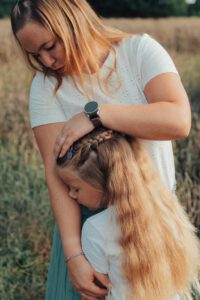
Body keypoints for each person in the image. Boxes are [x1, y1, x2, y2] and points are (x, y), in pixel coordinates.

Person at [10, 0, 192, 299]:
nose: (46, 61)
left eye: (50, 46)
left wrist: (95, 116)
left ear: (73, 21)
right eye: (35, 55)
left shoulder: (139, 52)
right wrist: (74, 256)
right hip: (86, 232)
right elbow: (53, 171)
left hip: (153, 222)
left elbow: (179, 121)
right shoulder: (45, 87)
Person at [56, 127, 199, 300]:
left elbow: (95, 294)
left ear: (100, 182)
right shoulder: (166, 212)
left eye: (75, 188)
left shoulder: (95, 229)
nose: (71, 195)